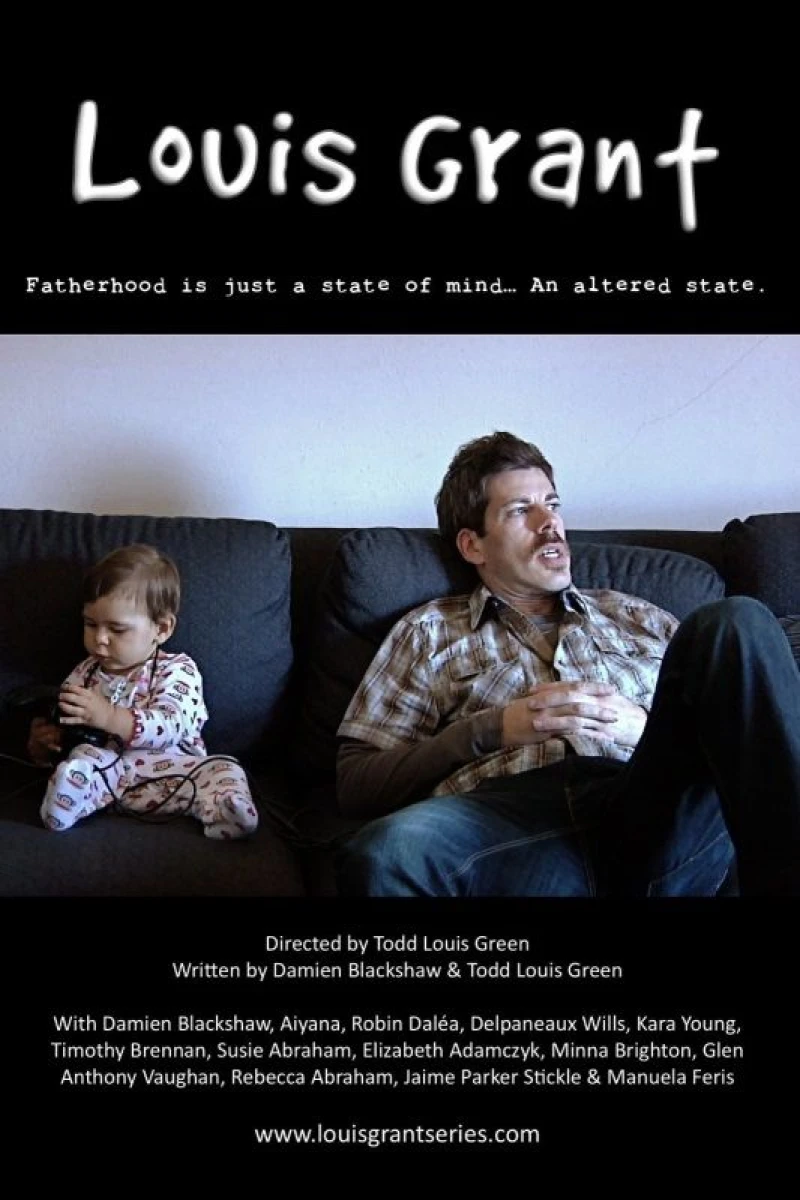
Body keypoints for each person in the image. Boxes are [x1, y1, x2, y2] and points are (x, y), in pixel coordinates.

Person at [335, 432, 800, 896]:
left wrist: (645, 728)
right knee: (387, 852)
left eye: (552, 505)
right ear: (473, 545)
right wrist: (491, 730)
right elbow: (356, 783)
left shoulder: (637, 616)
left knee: (737, 622)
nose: (550, 523)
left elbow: (740, 732)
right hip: (508, 827)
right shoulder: (428, 630)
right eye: (521, 510)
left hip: (656, 813)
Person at [29, 544, 258, 839]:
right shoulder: (84, 673)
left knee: (224, 767)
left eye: (117, 629)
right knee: (81, 761)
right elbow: (69, 728)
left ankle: (225, 811)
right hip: (109, 779)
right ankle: (66, 804)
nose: (100, 639)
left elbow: (173, 724)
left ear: (161, 629)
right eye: (90, 624)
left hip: (175, 776)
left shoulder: (177, 669)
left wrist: (110, 717)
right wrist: (45, 745)